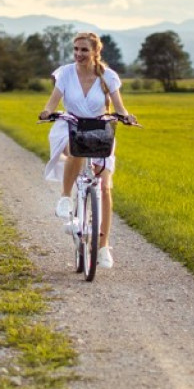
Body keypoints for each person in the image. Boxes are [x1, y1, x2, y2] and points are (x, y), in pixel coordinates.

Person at [38, 31, 136, 269]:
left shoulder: (108, 77)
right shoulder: (65, 73)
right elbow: (53, 101)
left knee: (104, 186)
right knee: (75, 148)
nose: (79, 54)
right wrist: (47, 111)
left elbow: (119, 107)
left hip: (100, 129)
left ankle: (103, 247)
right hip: (70, 126)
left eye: (84, 50)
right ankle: (65, 198)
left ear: (95, 52)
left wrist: (126, 116)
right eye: (76, 50)